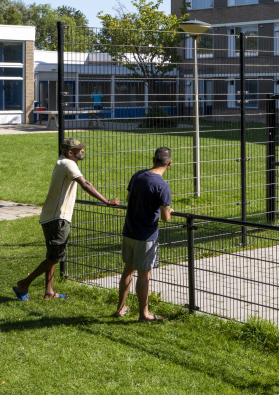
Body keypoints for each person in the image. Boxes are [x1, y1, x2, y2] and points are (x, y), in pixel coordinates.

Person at [14, 137, 118, 301]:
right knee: (56, 256)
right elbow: (86, 185)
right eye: (79, 149)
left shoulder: (64, 162)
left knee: (52, 256)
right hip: (58, 218)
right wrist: (107, 202)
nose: (82, 150)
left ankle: (49, 292)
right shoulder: (68, 164)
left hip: (52, 216)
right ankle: (24, 284)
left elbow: (84, 183)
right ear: (70, 152)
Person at [115, 147, 174, 321]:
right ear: (169, 163)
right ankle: (144, 314)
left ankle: (120, 308)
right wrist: (168, 210)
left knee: (128, 270)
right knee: (144, 274)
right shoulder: (162, 186)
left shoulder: (138, 176)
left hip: (129, 230)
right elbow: (165, 218)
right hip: (146, 235)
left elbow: (128, 199)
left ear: (153, 159)